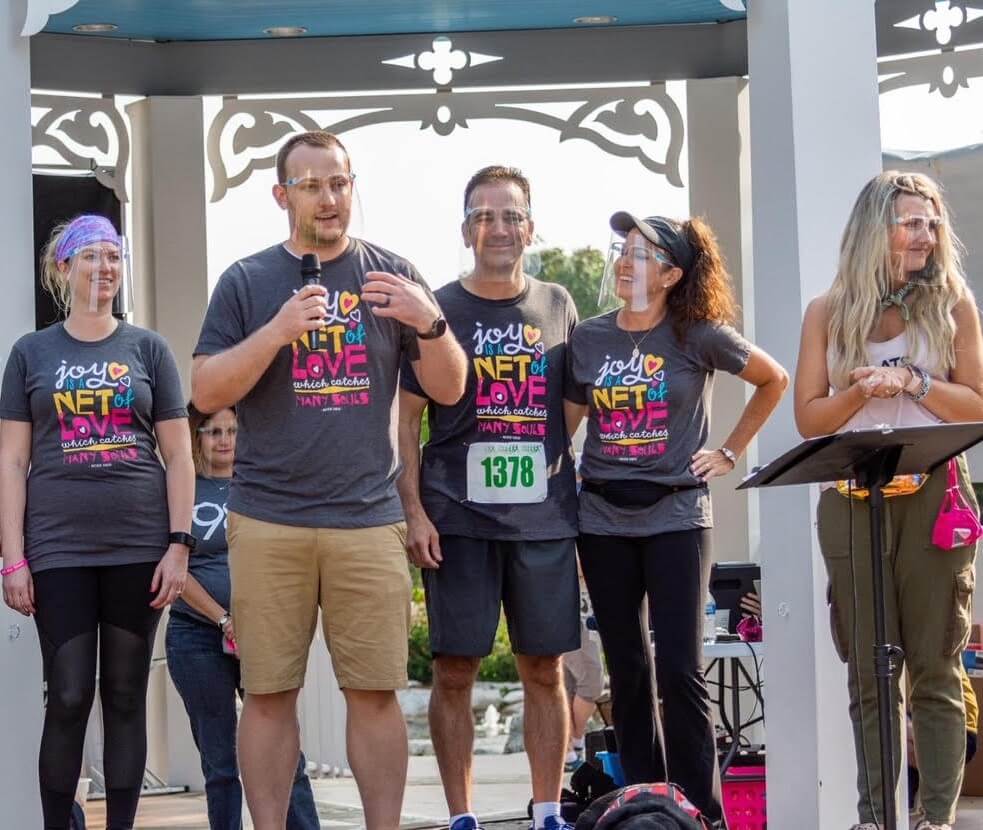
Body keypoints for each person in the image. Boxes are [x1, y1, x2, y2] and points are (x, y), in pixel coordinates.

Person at [191, 130, 467, 830]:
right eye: (311, 184)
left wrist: (429, 324)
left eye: (339, 182)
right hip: (267, 518)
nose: (328, 197)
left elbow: (451, 389)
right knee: (267, 693)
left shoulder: (391, 274)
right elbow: (203, 389)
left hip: (368, 519)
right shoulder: (248, 281)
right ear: (282, 195)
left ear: (353, 187)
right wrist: (277, 331)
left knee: (374, 693)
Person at [564, 213, 788, 824]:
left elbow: (774, 379)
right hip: (602, 518)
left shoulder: (699, 335)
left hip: (678, 516)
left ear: (670, 273)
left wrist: (729, 451)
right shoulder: (589, 338)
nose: (624, 261)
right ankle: (642, 808)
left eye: (640, 254)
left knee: (680, 669)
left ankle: (701, 813)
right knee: (628, 669)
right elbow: (564, 430)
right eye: (622, 250)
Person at [794, 171, 983, 830]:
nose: (924, 235)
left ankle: (935, 820)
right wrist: (861, 391)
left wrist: (912, 379)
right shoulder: (827, 309)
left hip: (934, 496)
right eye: (910, 222)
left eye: (930, 223)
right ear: (876, 228)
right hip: (852, 497)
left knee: (934, 666)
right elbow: (810, 420)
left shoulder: (953, 303)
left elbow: (977, 404)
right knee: (870, 670)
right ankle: (874, 819)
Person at [397, 165, 580, 830]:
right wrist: (414, 510)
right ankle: (460, 815)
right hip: (457, 519)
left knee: (543, 666)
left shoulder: (558, 303)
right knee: (454, 669)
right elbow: (406, 420)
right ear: (465, 229)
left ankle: (548, 811)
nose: (496, 228)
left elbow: (570, 408)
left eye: (509, 216)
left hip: (542, 519)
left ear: (530, 227)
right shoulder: (438, 308)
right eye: (483, 215)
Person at [0, 214, 194, 830]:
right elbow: (11, 460)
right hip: (57, 550)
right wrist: (13, 556)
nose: (104, 268)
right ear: (64, 268)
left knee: (124, 696)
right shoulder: (31, 353)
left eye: (113, 256)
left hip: (140, 547)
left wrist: (179, 544)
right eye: (90, 257)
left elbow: (181, 454)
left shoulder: (148, 348)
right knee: (70, 695)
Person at [165, 404, 320, 829]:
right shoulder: (183, 489)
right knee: (220, 762)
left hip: (262, 631)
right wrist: (223, 619)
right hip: (196, 635)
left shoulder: (261, 487)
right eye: (213, 431)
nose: (223, 440)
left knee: (284, 752)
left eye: (232, 430)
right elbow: (176, 567)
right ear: (197, 438)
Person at [563, 584, 605, 772]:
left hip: (581, 604)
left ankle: (569, 748)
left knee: (568, 684)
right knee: (591, 680)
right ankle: (573, 745)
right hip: (567, 601)